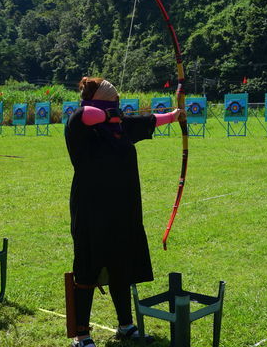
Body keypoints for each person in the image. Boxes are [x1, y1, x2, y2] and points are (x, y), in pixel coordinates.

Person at [64, 77, 184, 347]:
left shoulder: (118, 128)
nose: (118, 107)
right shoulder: (79, 125)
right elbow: (86, 113)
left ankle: (125, 325)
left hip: (123, 210)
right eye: (114, 101)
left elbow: (150, 120)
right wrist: (113, 114)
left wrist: (175, 116)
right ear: (103, 103)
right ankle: (82, 334)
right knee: (87, 269)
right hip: (91, 212)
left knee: (122, 266)